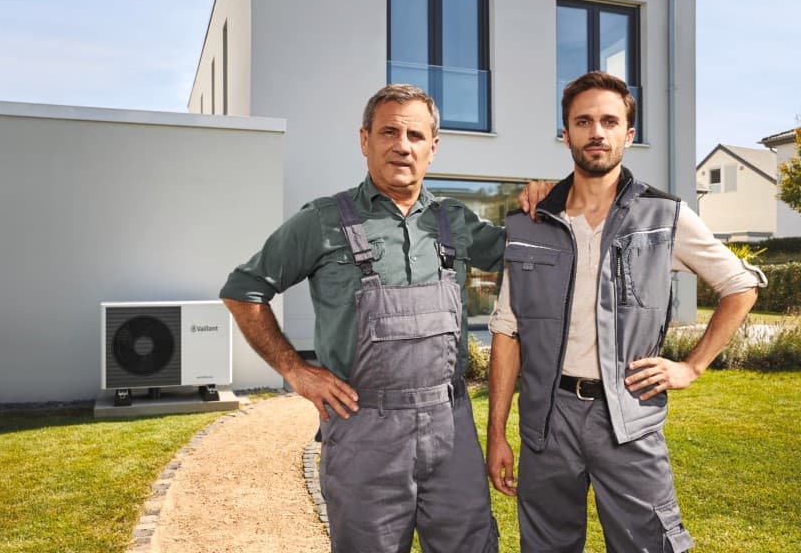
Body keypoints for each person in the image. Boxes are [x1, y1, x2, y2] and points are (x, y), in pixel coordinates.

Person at [221, 83, 519, 553]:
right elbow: (243, 291)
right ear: (365, 140)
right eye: (389, 132)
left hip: (451, 425)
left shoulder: (455, 221)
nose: (402, 145)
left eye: (416, 136)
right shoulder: (322, 221)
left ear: (433, 148)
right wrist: (295, 371)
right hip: (364, 431)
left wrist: (541, 203)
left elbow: (525, 252)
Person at [485, 71, 766, 553]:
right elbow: (507, 331)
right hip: (546, 420)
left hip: (629, 418)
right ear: (566, 132)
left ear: (628, 135)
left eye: (610, 121)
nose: (597, 132)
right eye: (584, 121)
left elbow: (740, 286)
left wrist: (691, 366)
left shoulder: (666, 215)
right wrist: (496, 433)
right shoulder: (529, 223)